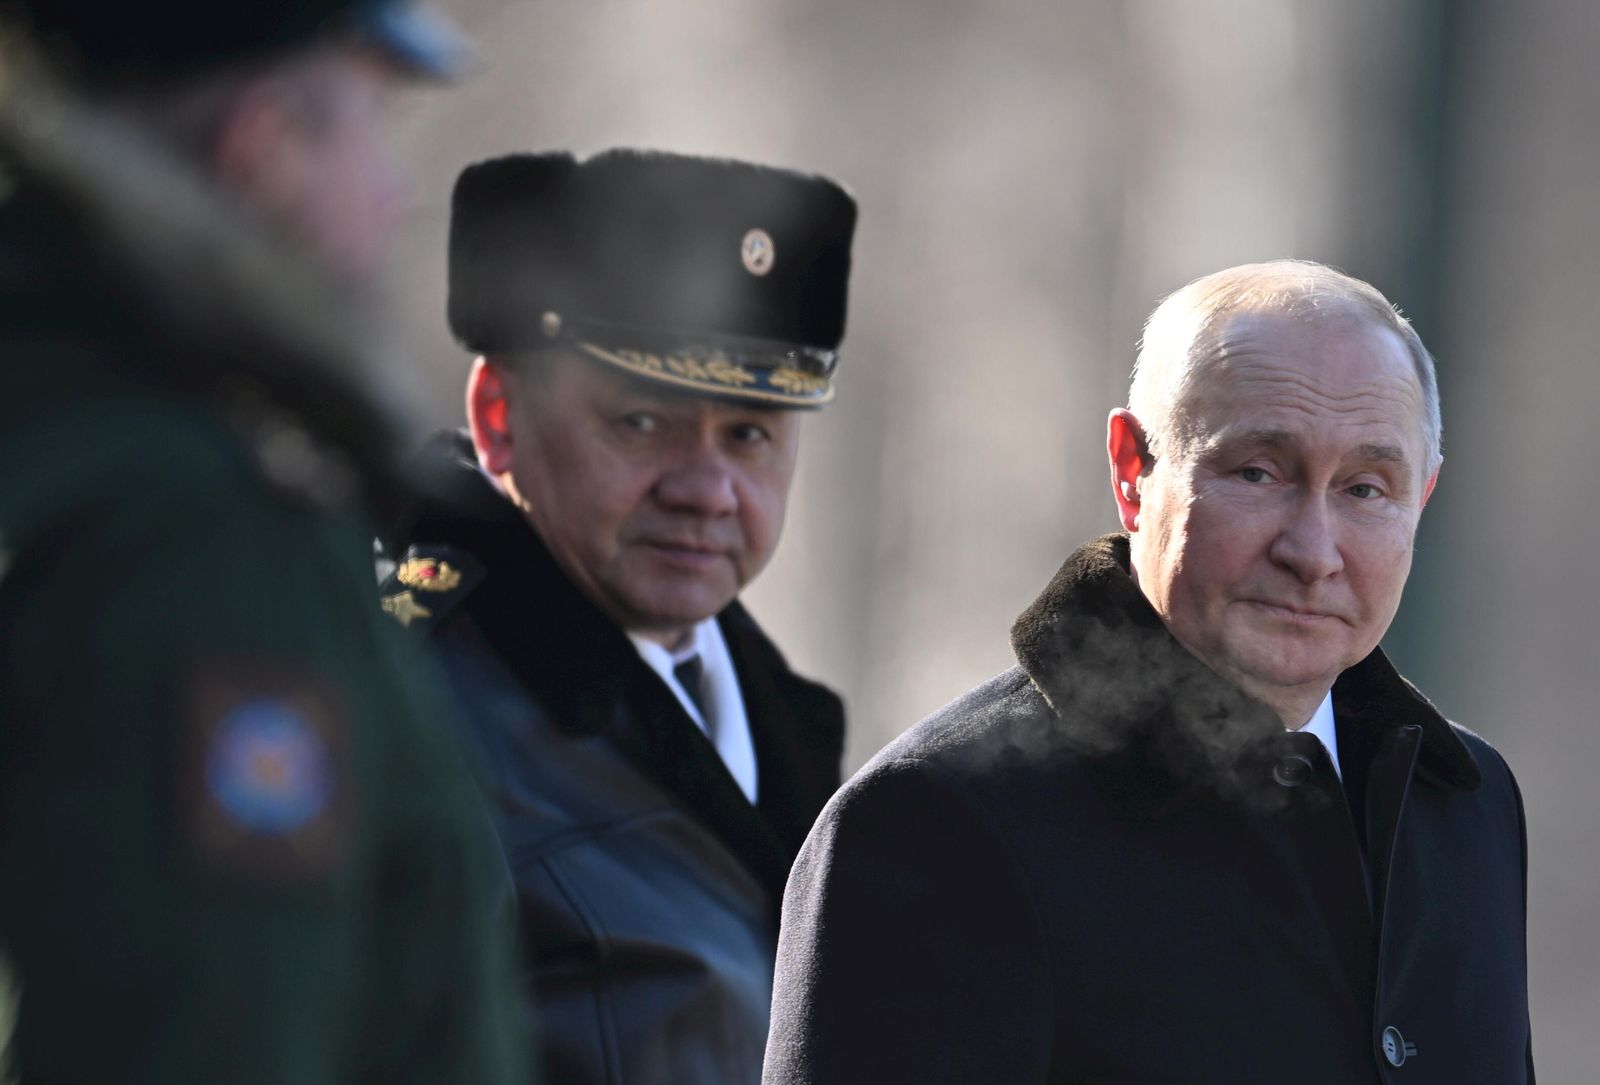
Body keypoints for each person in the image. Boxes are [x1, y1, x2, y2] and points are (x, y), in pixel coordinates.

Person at [764, 260, 1533, 1084]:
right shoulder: (936, 825)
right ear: (1133, 471)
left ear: (1423, 499)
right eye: (1258, 472)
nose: (1313, 553)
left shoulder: (1466, 804)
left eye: (1367, 489)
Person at [0, 4, 527, 1082]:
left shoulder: (59, 429)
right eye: (373, 125)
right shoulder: (204, 535)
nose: (397, 192)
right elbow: (216, 1027)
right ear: (265, 147)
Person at [379, 148, 856, 1085]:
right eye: (643, 422)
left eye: (749, 433)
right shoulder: (402, 703)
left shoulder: (778, 713)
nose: (707, 489)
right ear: (500, 415)